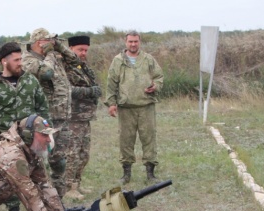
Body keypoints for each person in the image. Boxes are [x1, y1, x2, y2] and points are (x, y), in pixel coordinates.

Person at [0, 41, 50, 211]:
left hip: (31, 142)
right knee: (10, 182)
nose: (21, 63)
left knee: (40, 178)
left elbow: (43, 108)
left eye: (21, 58)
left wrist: (47, 134)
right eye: (16, 60)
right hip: (7, 144)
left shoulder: (31, 81)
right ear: (4, 62)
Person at [22, 28, 81, 198]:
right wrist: (49, 54)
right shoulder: (29, 60)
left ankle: (59, 198)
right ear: (40, 42)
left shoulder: (54, 55)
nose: (52, 44)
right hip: (45, 119)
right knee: (41, 161)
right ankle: (41, 197)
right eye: (49, 40)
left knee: (60, 160)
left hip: (63, 116)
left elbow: (76, 61)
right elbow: (46, 73)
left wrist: (60, 48)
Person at [105, 30, 164, 184]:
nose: (133, 44)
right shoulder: (118, 61)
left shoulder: (148, 59)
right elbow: (111, 83)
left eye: (135, 41)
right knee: (126, 140)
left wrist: (155, 86)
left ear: (139, 42)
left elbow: (159, 77)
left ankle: (150, 173)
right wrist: (111, 104)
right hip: (126, 107)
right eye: (130, 41)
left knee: (149, 138)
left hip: (146, 106)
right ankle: (126, 174)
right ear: (126, 42)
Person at [63, 35, 101, 200]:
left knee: (83, 153)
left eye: (86, 50)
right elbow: (65, 90)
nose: (84, 53)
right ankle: (68, 187)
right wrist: (90, 91)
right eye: (80, 49)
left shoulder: (81, 66)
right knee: (71, 153)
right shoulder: (63, 66)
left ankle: (77, 183)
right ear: (71, 49)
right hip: (72, 116)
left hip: (84, 116)